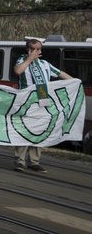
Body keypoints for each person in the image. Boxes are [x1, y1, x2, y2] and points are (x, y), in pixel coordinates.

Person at [13, 37, 72, 173]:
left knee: (40, 131)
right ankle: (19, 161)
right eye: (33, 49)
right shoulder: (22, 60)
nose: (36, 51)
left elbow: (60, 74)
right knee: (24, 131)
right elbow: (18, 71)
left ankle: (34, 161)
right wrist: (29, 59)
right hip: (27, 103)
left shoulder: (45, 64)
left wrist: (75, 82)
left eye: (38, 49)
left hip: (43, 101)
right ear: (28, 50)